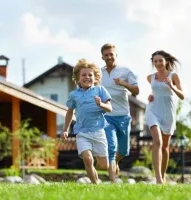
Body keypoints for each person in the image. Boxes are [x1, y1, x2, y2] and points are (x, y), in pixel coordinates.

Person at [61, 59, 112, 184]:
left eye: (90, 75)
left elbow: (110, 108)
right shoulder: (74, 95)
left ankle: (97, 176)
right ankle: (95, 184)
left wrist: (101, 104)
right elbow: (69, 112)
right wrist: (65, 130)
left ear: (95, 78)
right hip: (82, 132)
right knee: (88, 159)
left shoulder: (100, 90)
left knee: (104, 165)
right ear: (78, 78)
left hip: (98, 131)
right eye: (84, 75)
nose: (87, 77)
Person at [100, 43, 139, 182]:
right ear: (102, 57)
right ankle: (113, 181)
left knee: (123, 151)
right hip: (106, 116)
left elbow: (136, 91)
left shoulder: (126, 71)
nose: (109, 56)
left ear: (116, 55)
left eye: (111, 54)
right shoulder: (99, 73)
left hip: (123, 116)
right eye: (106, 54)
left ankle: (115, 162)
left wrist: (123, 83)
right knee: (111, 147)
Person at [145, 50, 184, 184]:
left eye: (160, 60)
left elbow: (182, 96)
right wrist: (149, 96)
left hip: (168, 112)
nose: (158, 63)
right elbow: (154, 92)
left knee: (165, 147)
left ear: (166, 61)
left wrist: (171, 86)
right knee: (157, 141)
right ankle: (158, 179)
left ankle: (163, 174)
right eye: (155, 61)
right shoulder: (150, 77)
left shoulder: (174, 76)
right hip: (153, 110)